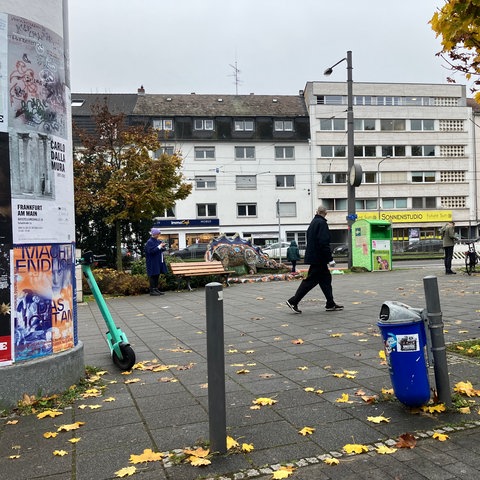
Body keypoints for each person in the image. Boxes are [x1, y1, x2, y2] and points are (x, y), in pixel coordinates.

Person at [286, 205, 343, 313]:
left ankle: (330, 303)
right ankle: (294, 301)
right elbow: (323, 243)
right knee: (310, 281)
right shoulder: (322, 223)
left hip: (315, 257)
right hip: (319, 259)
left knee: (325, 280)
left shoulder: (313, 223)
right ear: (325, 213)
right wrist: (330, 259)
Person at [144, 228, 168, 295]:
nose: (159, 235)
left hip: (158, 260)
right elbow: (151, 251)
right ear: (154, 234)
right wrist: (160, 246)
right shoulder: (150, 242)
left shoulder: (157, 241)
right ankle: (152, 290)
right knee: (152, 275)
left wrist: (163, 247)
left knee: (157, 274)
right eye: (158, 234)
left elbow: (160, 249)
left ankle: (156, 289)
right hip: (152, 261)